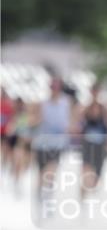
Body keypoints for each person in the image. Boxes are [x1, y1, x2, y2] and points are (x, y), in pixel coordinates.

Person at [32, 77, 74, 213]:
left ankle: (48, 197)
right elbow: (34, 120)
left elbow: (71, 120)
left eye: (56, 88)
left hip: (58, 144)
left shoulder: (66, 103)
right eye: (52, 87)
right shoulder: (42, 104)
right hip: (42, 143)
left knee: (51, 172)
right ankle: (40, 196)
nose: (54, 90)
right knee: (41, 172)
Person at [78, 82, 107, 197]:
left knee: (96, 178)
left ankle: (86, 190)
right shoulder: (86, 108)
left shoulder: (104, 109)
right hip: (88, 144)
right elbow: (78, 123)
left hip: (100, 146)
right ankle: (82, 195)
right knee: (86, 170)